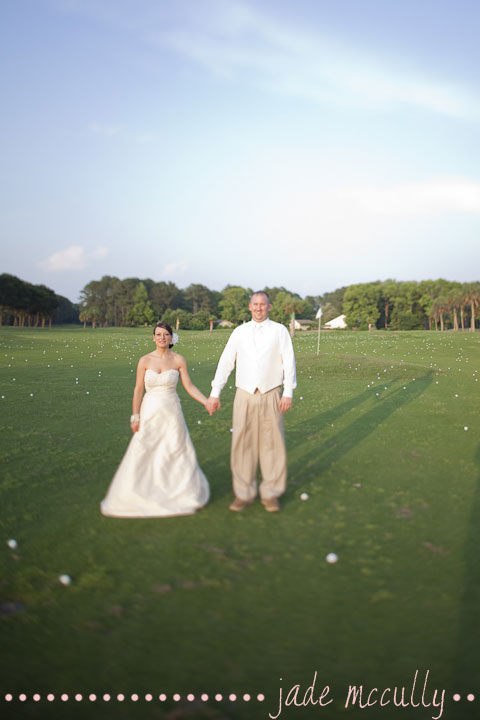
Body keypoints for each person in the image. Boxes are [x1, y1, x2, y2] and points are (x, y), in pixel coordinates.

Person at [100, 322, 210, 518]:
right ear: (153, 337)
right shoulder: (144, 360)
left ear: (171, 338)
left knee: (174, 448)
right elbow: (138, 390)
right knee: (145, 447)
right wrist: (135, 415)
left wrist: (206, 401)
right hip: (149, 410)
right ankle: (139, 493)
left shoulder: (178, 360)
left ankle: (180, 492)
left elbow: (189, 386)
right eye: (158, 334)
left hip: (171, 411)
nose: (162, 338)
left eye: (165, 334)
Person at [206, 291, 296, 512]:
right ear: (249, 307)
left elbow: (289, 361)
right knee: (242, 443)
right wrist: (215, 391)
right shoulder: (239, 332)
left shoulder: (280, 331)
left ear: (269, 307)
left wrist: (288, 392)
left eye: (262, 305)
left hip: (271, 393)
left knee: (272, 443)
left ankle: (271, 493)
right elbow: (226, 361)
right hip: (244, 394)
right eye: (255, 304)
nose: (258, 308)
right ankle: (243, 493)